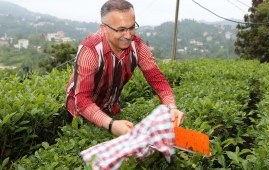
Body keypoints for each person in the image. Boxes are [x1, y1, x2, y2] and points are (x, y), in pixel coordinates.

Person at [65, 0, 185, 137]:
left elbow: (157, 80)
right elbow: (82, 100)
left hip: (110, 106)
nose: (128, 35)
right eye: (121, 30)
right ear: (104, 28)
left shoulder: (138, 46)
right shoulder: (90, 51)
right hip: (79, 111)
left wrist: (172, 107)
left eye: (132, 27)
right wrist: (111, 124)